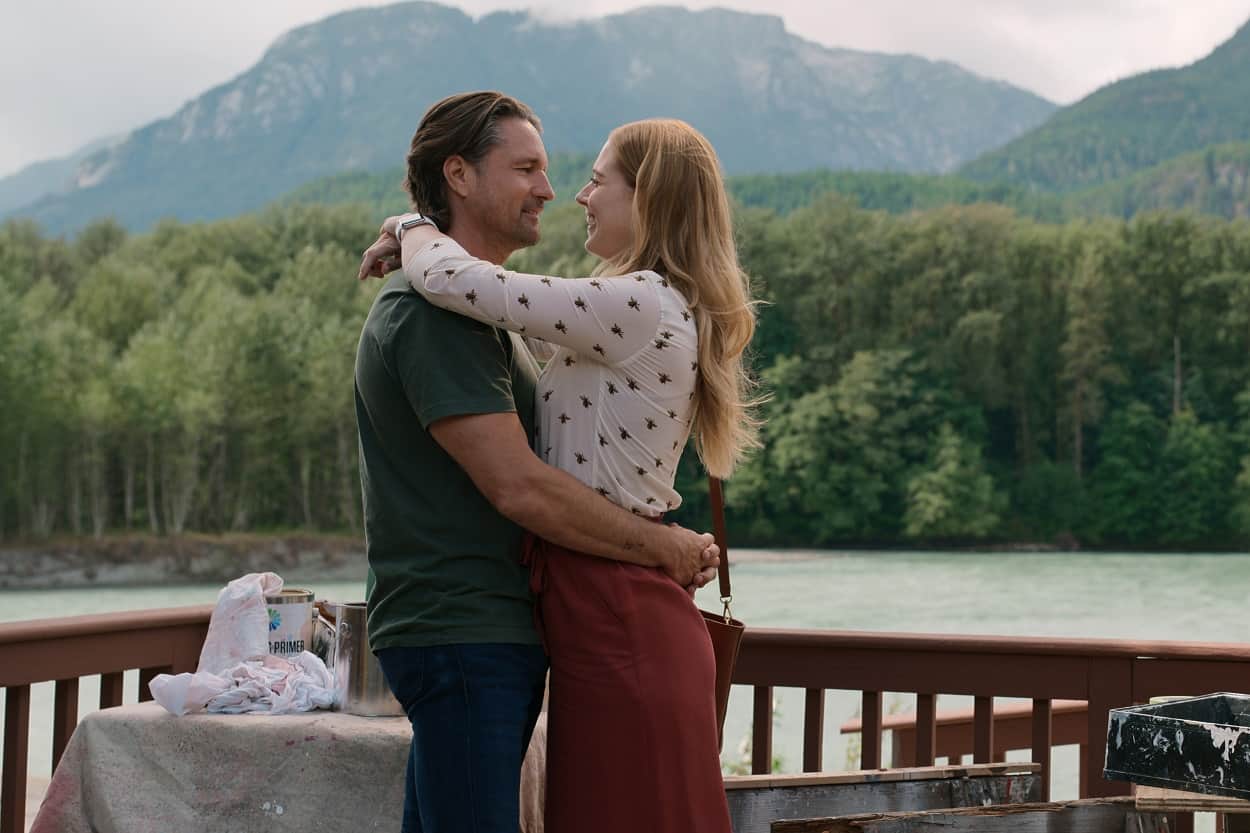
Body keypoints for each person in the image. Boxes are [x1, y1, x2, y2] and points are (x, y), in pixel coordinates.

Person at [364, 116, 758, 833]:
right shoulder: (638, 305)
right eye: (533, 171)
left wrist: (410, 225)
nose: (574, 193)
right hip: (602, 612)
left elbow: (463, 281)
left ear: (650, 197)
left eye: (598, 178)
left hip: (615, 614)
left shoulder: (636, 303)